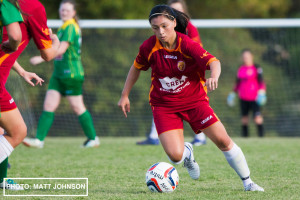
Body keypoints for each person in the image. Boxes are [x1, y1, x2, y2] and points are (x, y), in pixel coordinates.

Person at [118, 5, 264, 191]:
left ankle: (248, 182)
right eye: (155, 28)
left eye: (164, 26)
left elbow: (214, 62)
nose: (160, 32)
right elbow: (136, 67)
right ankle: (187, 153)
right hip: (164, 105)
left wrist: (214, 76)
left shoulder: (186, 43)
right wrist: (124, 95)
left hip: (195, 102)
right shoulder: (149, 46)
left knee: (223, 141)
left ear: (174, 22)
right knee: (175, 157)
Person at [0, 0, 60, 190]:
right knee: (17, 132)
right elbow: (48, 55)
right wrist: (56, 40)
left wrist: (22, 71)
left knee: (2, 130)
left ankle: (1, 180)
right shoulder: (32, 6)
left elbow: (5, 45)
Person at [23, 0, 99, 148]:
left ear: (73, 13)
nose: (64, 12)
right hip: (58, 74)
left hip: (71, 73)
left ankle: (93, 138)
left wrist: (40, 58)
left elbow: (62, 49)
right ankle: (39, 140)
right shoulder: (64, 27)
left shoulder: (71, 26)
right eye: (62, 10)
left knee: (78, 107)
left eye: (67, 10)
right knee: (49, 105)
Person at [137, 0, 206, 146]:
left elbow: (196, 51)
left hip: (187, 75)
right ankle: (153, 135)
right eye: (172, 10)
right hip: (169, 72)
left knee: (195, 106)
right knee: (160, 99)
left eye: (178, 10)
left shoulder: (190, 29)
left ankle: (200, 138)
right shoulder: (159, 36)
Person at [227, 49, 266, 137]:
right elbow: (237, 83)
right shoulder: (241, 69)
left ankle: (261, 137)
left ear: (251, 57)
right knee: (244, 119)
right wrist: (233, 93)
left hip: (255, 98)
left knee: (257, 118)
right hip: (243, 98)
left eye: (247, 57)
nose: (246, 59)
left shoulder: (256, 68)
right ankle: (245, 138)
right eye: (244, 57)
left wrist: (262, 92)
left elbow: (261, 81)